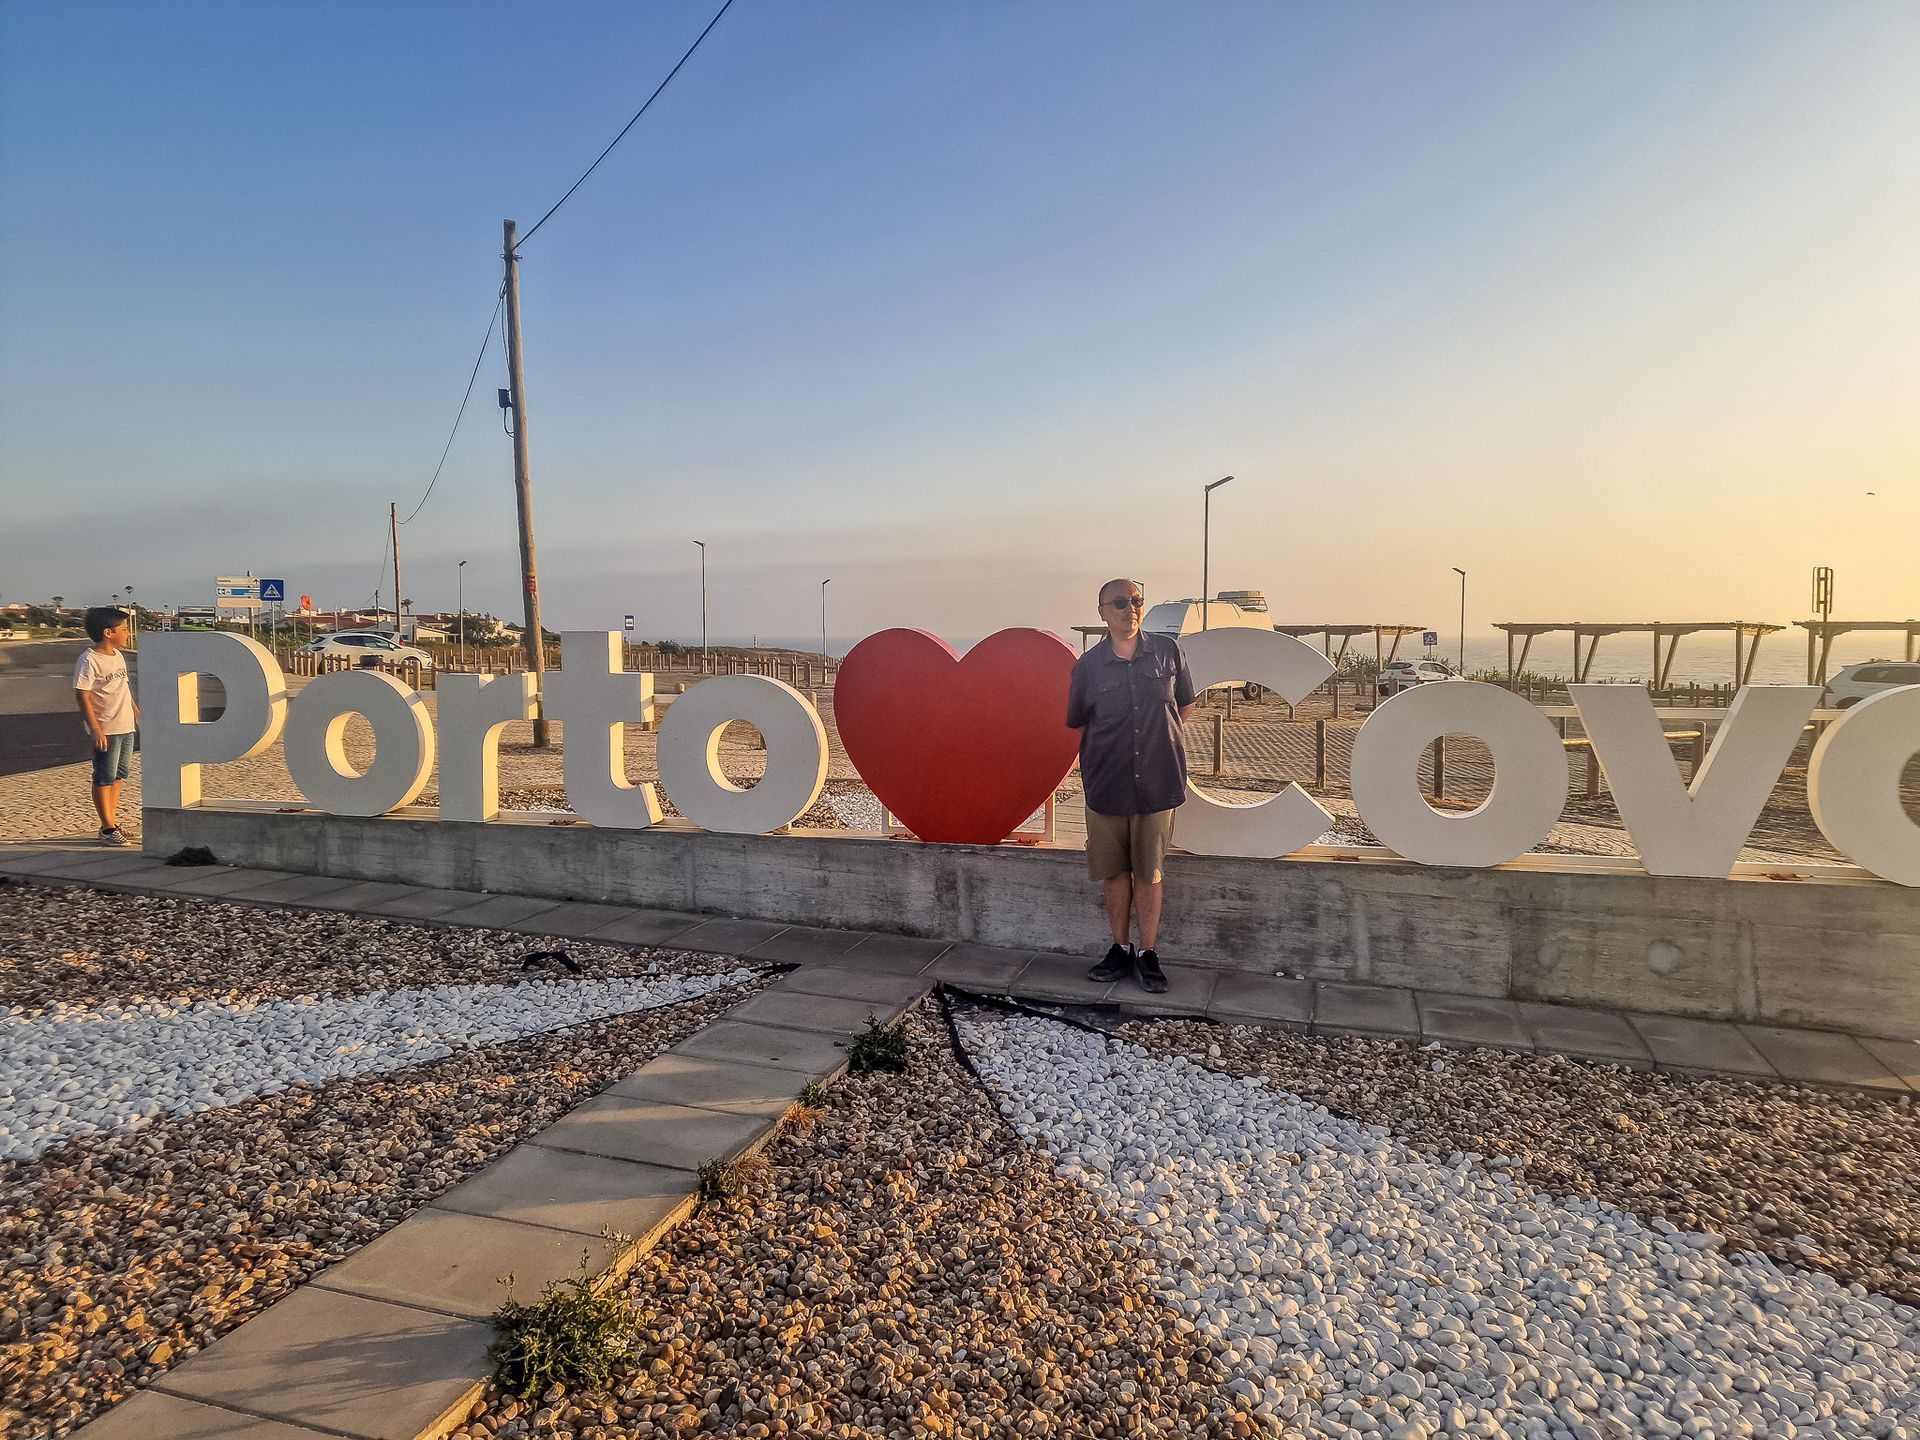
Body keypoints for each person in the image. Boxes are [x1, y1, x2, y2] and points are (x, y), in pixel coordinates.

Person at [1065, 578, 1195, 992]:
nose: (1130, 608)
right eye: (1119, 602)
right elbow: (1080, 719)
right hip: (1107, 784)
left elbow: (1185, 705)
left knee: (1150, 872)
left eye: (1136, 601)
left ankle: (1148, 953)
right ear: (1102, 611)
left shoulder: (1168, 652)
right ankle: (1120, 948)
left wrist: (1157, 742)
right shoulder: (1088, 667)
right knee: (1114, 872)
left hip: (1158, 782)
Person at [74, 606, 139, 846]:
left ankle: (112, 822)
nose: (128, 634)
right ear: (108, 632)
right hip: (107, 729)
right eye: (124, 629)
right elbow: (83, 695)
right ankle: (107, 828)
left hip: (125, 726)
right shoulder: (89, 660)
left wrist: (135, 711)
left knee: (119, 775)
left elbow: (123, 687)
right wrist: (95, 728)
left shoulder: (118, 655)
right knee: (104, 777)